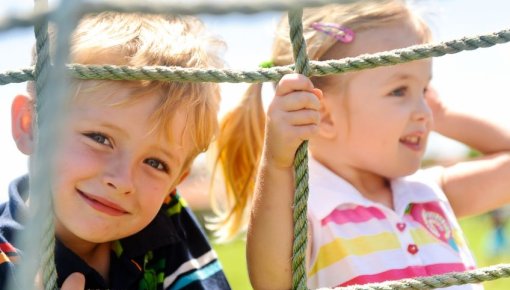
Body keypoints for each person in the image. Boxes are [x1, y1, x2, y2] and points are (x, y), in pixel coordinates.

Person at [214, 0, 510, 289]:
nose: (424, 110)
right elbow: (271, 282)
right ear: (324, 115)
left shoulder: (430, 193)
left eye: (424, 88)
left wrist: (444, 115)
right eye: (399, 90)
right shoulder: (311, 213)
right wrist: (278, 163)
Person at [0, 12, 231, 290]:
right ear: (29, 126)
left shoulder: (165, 230)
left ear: (175, 182)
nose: (122, 181)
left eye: (156, 163)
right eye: (99, 138)